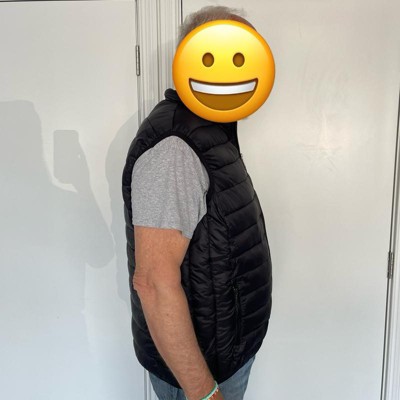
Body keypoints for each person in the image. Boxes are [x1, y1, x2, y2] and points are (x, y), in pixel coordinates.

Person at [122, 6, 273, 400]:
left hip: (224, 355)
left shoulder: (211, 132)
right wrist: (204, 392)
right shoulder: (176, 147)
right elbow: (153, 283)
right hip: (200, 376)